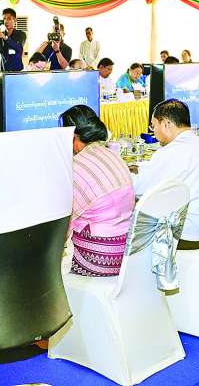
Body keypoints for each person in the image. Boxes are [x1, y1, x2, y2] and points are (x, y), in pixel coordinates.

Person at [133, 100, 199, 250]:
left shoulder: (172, 151)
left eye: (153, 126)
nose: (153, 132)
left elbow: (139, 188)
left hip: (184, 236)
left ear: (166, 124)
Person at [60, 105, 134, 277]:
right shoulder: (113, 155)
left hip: (97, 259)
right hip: (127, 255)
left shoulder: (75, 167)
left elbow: (62, 225)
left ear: (73, 136)